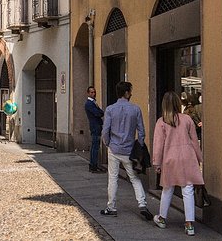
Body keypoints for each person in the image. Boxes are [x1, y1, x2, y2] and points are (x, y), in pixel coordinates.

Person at [152, 91, 204, 237]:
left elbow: (158, 145)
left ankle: (162, 218)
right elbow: (194, 141)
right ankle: (189, 224)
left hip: (170, 158)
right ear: (177, 103)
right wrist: (199, 158)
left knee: (167, 188)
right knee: (188, 189)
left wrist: (157, 162)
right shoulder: (187, 119)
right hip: (187, 157)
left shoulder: (161, 122)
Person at [100, 81, 152, 220]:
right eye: (130, 91)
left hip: (114, 148)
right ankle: (142, 204)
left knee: (113, 178)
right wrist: (139, 146)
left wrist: (108, 143)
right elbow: (141, 131)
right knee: (134, 178)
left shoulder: (110, 109)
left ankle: (111, 207)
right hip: (129, 149)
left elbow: (105, 130)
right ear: (127, 93)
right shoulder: (135, 109)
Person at [85, 86, 106, 173]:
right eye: (92, 92)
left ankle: (94, 165)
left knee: (95, 146)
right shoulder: (89, 103)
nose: (94, 94)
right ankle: (93, 165)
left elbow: (101, 112)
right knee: (95, 147)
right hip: (95, 126)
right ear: (88, 93)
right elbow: (99, 113)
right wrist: (100, 112)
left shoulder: (93, 102)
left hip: (96, 126)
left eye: (94, 92)